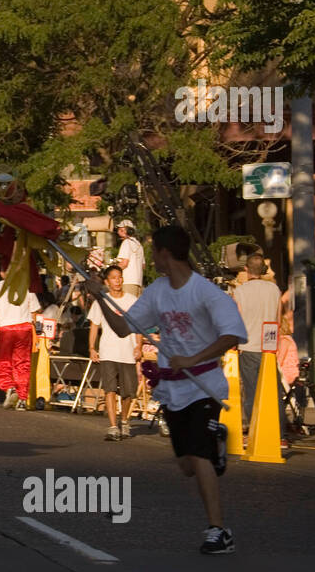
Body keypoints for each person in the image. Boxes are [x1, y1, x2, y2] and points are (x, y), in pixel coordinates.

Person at [86, 224, 246, 554]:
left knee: (198, 457)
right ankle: (216, 444)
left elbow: (232, 334)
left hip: (205, 387)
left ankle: (218, 530)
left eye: (154, 252)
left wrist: (194, 357)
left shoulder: (205, 292)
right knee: (187, 466)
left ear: (164, 253)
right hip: (172, 391)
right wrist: (99, 295)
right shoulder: (157, 292)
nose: (151, 258)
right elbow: (120, 326)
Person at [232, 254, 289, 445]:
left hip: (248, 345)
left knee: (251, 391)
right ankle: (280, 435)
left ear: (246, 270)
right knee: (273, 391)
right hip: (269, 345)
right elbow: (278, 318)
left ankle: (254, 431)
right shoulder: (274, 289)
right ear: (263, 270)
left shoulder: (240, 291)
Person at [87, 265, 142, 439]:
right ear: (107, 282)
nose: (117, 281)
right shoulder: (101, 301)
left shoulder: (132, 300)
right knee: (109, 389)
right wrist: (92, 348)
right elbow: (94, 326)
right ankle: (112, 426)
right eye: (113, 278)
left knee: (128, 392)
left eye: (119, 277)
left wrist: (138, 346)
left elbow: (139, 326)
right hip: (108, 351)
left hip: (128, 351)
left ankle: (124, 420)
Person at [0, 266, 40, 408]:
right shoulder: (26, 285)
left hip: (5, 330)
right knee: (23, 364)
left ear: (2, 272)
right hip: (24, 329)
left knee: (3, 363)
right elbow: (35, 311)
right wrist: (37, 331)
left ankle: (9, 387)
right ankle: (22, 399)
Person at [115, 220, 146, 296]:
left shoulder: (126, 243)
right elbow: (143, 266)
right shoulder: (139, 245)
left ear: (126, 230)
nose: (118, 231)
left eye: (120, 229)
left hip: (128, 281)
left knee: (127, 306)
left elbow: (124, 263)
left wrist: (112, 271)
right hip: (138, 282)